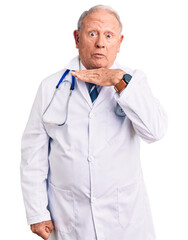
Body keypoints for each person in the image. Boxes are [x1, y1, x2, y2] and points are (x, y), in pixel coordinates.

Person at [20, 5, 168, 240]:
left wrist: (120, 82)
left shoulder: (134, 81)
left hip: (125, 222)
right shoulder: (51, 87)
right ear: (77, 38)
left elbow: (155, 131)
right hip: (71, 219)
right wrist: (37, 212)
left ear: (119, 43)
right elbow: (33, 155)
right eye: (92, 34)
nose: (101, 43)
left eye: (108, 36)